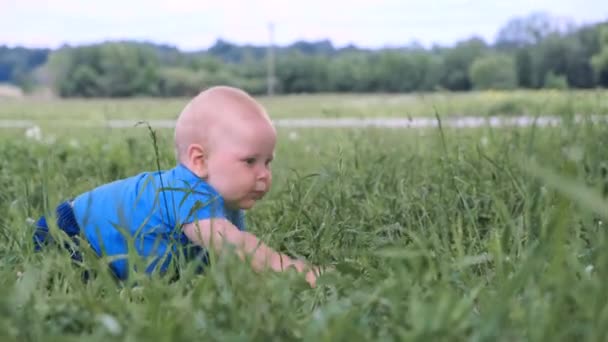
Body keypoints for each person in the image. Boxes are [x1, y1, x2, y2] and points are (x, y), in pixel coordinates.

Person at [33, 86, 321, 287]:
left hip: (95, 242)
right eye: (250, 161)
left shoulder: (224, 204)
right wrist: (298, 273)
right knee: (63, 284)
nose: (264, 175)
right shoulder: (189, 192)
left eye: (267, 162)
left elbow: (236, 266)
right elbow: (240, 250)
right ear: (199, 160)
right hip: (70, 234)